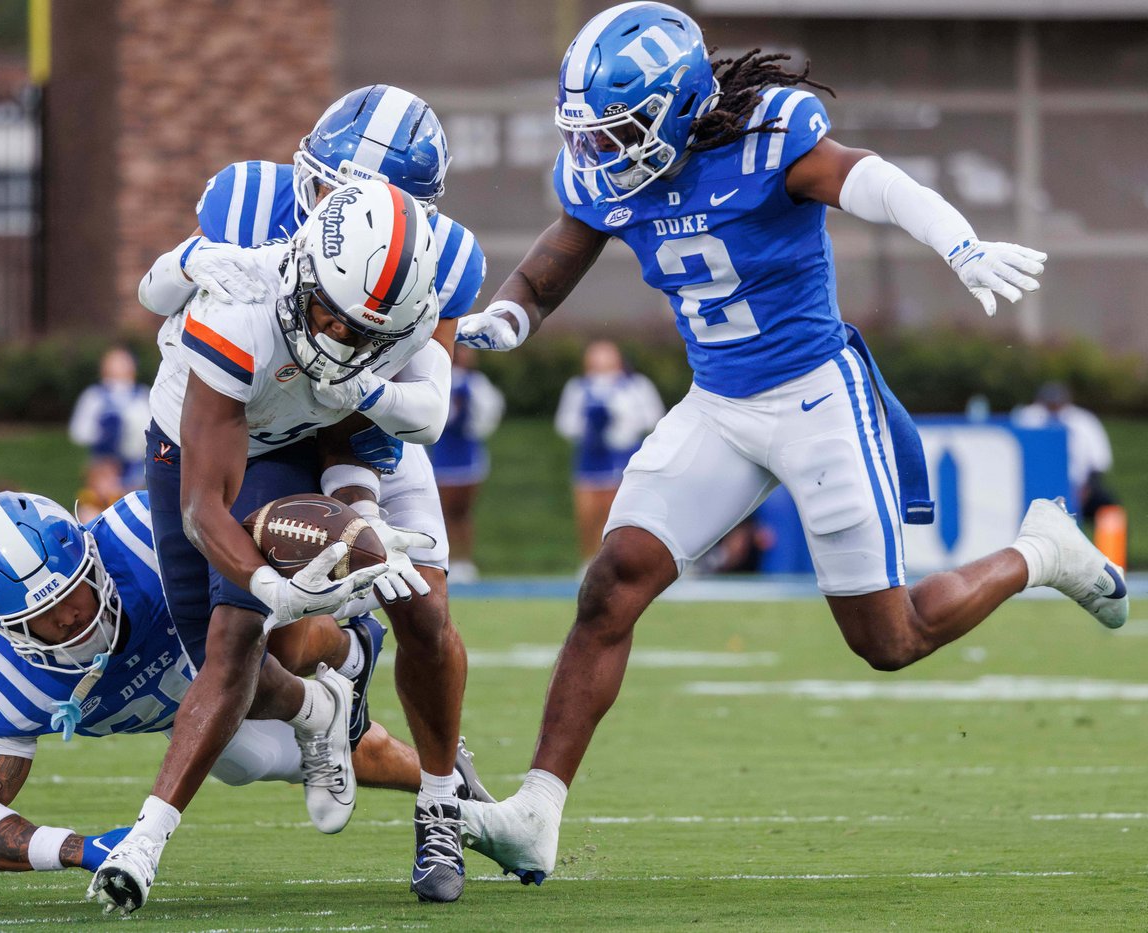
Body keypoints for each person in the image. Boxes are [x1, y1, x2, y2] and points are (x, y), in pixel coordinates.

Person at [452, 2, 1126, 882]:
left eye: (618, 129)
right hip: (718, 405)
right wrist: (509, 312)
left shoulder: (771, 137)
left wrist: (957, 243)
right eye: (590, 132)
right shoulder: (611, 175)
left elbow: (873, 179)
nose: (600, 151)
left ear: (681, 104)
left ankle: (1043, 551)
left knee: (890, 638)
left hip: (817, 399)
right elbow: (554, 260)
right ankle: (537, 810)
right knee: (611, 584)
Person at [134, 86, 485, 904]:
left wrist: (360, 496)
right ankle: (344, 675)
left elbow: (417, 412)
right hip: (261, 428)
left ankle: (440, 801)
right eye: (326, 186)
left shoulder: (441, 259)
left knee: (426, 611)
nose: (340, 209)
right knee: (271, 643)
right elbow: (165, 310)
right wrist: (190, 261)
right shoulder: (248, 204)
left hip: (368, 423)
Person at [0, 490, 493, 879]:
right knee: (246, 760)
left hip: (225, 640)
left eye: (73, 594)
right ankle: (450, 786)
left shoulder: (143, 540)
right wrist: (80, 850)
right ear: (4, 627)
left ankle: (349, 646)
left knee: (275, 634)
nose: (70, 618)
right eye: (46, 614)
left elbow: (248, 562)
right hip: (185, 703)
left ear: (91, 561)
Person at [553, 340, 664, 566]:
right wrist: (590, 428)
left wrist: (623, 424)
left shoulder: (636, 385)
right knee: (588, 515)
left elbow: (654, 417)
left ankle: (623, 562)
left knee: (621, 514)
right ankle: (589, 561)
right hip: (590, 460)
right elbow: (565, 423)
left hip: (625, 460)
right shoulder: (579, 387)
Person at [429, 347, 504, 583]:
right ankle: (443, 560)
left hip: (467, 454)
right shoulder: (438, 377)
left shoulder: (477, 382)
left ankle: (465, 561)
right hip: (441, 454)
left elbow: (489, 414)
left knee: (463, 511)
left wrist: (471, 421)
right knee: (442, 512)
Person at [1013, 382, 1116, 523]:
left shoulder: (1084, 421)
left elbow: (1098, 463)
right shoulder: (1027, 418)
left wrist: (1086, 490)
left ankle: (1106, 545)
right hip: (1034, 486)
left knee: (1111, 511)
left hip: (1079, 488)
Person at [68, 346, 151, 522]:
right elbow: (79, 431)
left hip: (133, 467)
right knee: (95, 511)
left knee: (132, 512)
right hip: (103, 466)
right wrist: (102, 434)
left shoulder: (143, 395)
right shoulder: (94, 396)